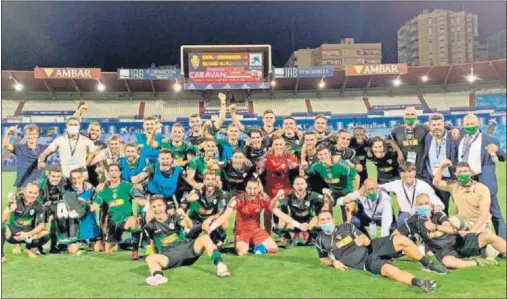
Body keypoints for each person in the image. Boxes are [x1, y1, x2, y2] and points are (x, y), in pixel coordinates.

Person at [314, 211, 440, 292]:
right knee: (387, 270)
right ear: (319, 223)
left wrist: (363, 240)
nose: (326, 222)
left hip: (372, 247)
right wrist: (333, 262)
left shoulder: (347, 226)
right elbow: (323, 260)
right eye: (323, 220)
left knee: (401, 239)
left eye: (328, 219)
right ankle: (421, 283)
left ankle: (427, 263)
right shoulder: (320, 240)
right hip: (363, 261)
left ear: (333, 220)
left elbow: (366, 239)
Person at [394, 193, 506, 269]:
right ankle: (478, 262)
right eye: (420, 204)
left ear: (431, 204)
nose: (424, 206)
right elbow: (396, 234)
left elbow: (450, 229)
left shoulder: (438, 214)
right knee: (448, 262)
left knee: (488, 236)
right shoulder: (413, 221)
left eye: (426, 203)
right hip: (443, 251)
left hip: (458, 241)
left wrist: (436, 227)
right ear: (416, 206)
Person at [206, 179, 309, 256]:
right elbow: (224, 216)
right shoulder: (237, 199)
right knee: (242, 253)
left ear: (258, 188)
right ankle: (245, 244)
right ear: (246, 188)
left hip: (256, 230)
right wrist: (210, 228)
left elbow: (280, 214)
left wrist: (299, 225)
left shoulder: (263, 198)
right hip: (241, 231)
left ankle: (253, 245)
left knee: (274, 249)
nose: (252, 191)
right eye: (250, 188)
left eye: (255, 188)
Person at [143, 196, 230, 286]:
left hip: (188, 249)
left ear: (165, 206)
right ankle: (158, 277)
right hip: (169, 257)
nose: (157, 209)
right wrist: (151, 256)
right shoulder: (149, 226)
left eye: (159, 205)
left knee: (205, 238)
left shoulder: (174, 218)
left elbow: (189, 225)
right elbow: (151, 244)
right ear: (151, 209)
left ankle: (221, 266)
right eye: (154, 207)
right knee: (150, 258)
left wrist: (185, 216)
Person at [433, 160, 500, 258]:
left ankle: (466, 245)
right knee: (449, 222)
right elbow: (436, 182)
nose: (463, 174)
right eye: (460, 172)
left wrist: (471, 232)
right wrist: (442, 167)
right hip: (462, 220)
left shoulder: (482, 189)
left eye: (465, 171)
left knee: (489, 254)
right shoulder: (454, 185)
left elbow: (484, 214)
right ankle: (440, 246)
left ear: (471, 173)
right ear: (455, 174)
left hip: (480, 222)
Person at [456, 113, 506, 241]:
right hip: (465, 180)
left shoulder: (490, 139)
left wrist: (498, 150)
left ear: (478, 124)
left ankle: (503, 244)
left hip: (484, 180)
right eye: (467, 124)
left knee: (495, 213)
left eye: (473, 124)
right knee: (465, 211)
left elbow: (503, 157)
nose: (470, 126)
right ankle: (470, 240)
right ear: (463, 125)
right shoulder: (460, 137)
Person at [90, 164, 143, 259]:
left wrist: (148, 203)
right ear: (108, 173)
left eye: (116, 170)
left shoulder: (127, 186)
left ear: (120, 173)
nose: (113, 173)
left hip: (126, 219)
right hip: (113, 223)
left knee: (134, 221)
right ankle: (124, 243)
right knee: (108, 251)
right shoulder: (102, 190)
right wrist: (83, 204)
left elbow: (139, 199)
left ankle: (135, 251)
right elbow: (94, 207)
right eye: (111, 170)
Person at [389, 107, 460, 178]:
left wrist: (453, 129)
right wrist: (399, 152)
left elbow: (437, 127)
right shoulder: (396, 131)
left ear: (416, 116)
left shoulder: (424, 128)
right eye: (407, 114)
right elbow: (389, 140)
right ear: (403, 116)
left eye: (412, 114)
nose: (410, 116)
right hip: (404, 170)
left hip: (421, 170)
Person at [380, 162, 444, 227]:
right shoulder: (396, 184)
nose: (407, 175)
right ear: (400, 173)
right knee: (402, 220)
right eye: (403, 172)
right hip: (405, 213)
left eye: (409, 171)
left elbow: (434, 198)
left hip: (421, 212)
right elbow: (379, 187)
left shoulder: (423, 185)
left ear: (415, 172)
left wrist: (438, 206)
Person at [257, 136, 299, 234]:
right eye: (276, 144)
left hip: (286, 189)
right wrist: (259, 171)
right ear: (272, 146)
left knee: (289, 209)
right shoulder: (267, 156)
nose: (278, 147)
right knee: (267, 211)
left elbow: (297, 168)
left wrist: (298, 166)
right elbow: (259, 169)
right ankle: (268, 234)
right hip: (270, 189)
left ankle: (294, 233)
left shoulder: (289, 156)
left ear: (284, 145)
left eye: (280, 144)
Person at [306, 146, 358, 221]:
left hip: (347, 190)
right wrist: (302, 168)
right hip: (333, 191)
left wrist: (354, 194)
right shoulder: (316, 166)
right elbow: (306, 174)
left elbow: (356, 177)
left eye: (325, 153)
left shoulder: (341, 164)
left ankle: (348, 227)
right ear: (317, 156)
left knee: (348, 209)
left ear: (330, 154)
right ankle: (329, 227)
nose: (323, 156)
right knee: (326, 205)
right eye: (320, 154)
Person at [276, 177, 333, 246]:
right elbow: (275, 207)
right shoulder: (289, 196)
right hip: (295, 222)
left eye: (302, 184)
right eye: (297, 184)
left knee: (321, 217)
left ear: (306, 185)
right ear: (294, 186)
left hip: (309, 222)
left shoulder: (312, 195)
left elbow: (329, 202)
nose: (300, 186)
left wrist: (328, 195)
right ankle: (288, 239)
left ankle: (312, 239)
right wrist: (277, 196)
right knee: (282, 218)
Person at [420, 113, 458, 215]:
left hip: (454, 180)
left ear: (443, 125)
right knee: (441, 211)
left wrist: (454, 128)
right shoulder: (427, 137)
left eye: (439, 124)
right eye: (433, 125)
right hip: (437, 180)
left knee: (462, 209)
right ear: (429, 126)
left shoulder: (454, 136)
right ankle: (445, 230)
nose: (436, 127)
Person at [1, 184, 49, 261]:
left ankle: (28, 249)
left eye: (35, 193)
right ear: (24, 192)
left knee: (46, 234)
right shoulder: (15, 201)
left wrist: (28, 234)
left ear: (38, 194)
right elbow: (3, 219)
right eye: (30, 192)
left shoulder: (39, 206)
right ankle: (1, 256)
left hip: (28, 236)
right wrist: (10, 209)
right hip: (13, 234)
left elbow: (41, 225)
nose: (32, 195)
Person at [182, 172, 229, 247]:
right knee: (185, 240)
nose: (210, 182)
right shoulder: (198, 190)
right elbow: (189, 198)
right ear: (204, 181)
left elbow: (220, 212)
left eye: (212, 179)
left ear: (215, 181)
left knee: (224, 224)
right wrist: (194, 195)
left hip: (210, 220)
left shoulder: (220, 193)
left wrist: (210, 219)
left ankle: (221, 236)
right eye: (208, 179)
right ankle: (194, 234)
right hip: (196, 219)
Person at [2, 124, 47, 190]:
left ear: (37, 134)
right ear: (25, 135)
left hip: (39, 185)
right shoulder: (19, 148)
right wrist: (8, 132)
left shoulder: (44, 148)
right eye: (29, 134)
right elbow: (5, 146)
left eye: (34, 134)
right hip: (23, 185)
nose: (31, 136)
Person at [68, 169, 102, 252]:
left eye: (79, 178)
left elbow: (95, 207)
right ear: (70, 179)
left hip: (91, 228)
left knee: (98, 249)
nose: (76, 181)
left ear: (83, 178)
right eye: (73, 178)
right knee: (72, 251)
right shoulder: (67, 192)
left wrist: (84, 202)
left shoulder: (91, 190)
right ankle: (80, 242)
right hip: (76, 231)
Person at [36, 166, 67, 254]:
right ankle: (38, 247)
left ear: (61, 176)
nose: (55, 179)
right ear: (48, 175)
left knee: (61, 217)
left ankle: (56, 246)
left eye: (58, 176)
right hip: (41, 205)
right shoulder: (40, 182)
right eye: (53, 176)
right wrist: (45, 211)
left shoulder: (65, 182)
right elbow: (34, 198)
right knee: (39, 221)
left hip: (57, 205)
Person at [85, 121, 106, 187]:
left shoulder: (103, 146)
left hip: (97, 181)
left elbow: (103, 165)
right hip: (82, 179)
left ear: (100, 132)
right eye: (92, 130)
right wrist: (93, 154)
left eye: (97, 130)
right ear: (87, 130)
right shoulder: (81, 143)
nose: (94, 132)